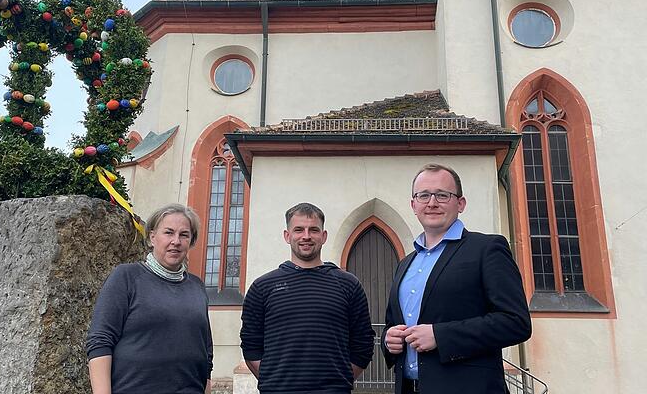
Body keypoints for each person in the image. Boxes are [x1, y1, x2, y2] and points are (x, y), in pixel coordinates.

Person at [382, 164, 532, 394]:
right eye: (423, 195)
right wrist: (388, 340)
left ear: (460, 204)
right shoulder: (405, 263)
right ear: (414, 205)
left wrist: (441, 336)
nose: (432, 202)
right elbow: (394, 324)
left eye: (442, 195)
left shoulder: (487, 249)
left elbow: (516, 323)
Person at [240, 202, 375, 394]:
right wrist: (274, 380)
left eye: (313, 230)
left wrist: (340, 380)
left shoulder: (348, 285)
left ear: (323, 236)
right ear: (287, 236)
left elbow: (363, 343)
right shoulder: (263, 287)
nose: (306, 236)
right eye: (298, 230)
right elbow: (250, 344)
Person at [86, 203, 213, 394]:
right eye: (168, 233)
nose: (176, 241)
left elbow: (206, 352)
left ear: (191, 242)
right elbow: (100, 342)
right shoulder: (126, 277)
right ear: (152, 237)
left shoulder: (197, 287)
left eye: (184, 235)